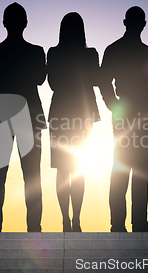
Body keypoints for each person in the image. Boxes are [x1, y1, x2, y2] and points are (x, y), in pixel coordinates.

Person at [0, 2, 47, 232]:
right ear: (25, 24)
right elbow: (40, 79)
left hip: (2, 115)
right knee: (32, 175)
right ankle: (34, 228)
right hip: (29, 116)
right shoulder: (36, 51)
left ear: (4, 23)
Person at [100, 6, 148, 232]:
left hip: (143, 116)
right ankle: (119, 223)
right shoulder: (115, 50)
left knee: (137, 168)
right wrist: (114, 105)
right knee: (124, 167)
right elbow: (104, 81)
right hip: (129, 116)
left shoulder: (144, 51)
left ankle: (136, 222)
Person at [47, 12, 100, 232]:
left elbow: (52, 83)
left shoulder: (54, 53)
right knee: (78, 169)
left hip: (61, 112)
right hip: (82, 112)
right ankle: (75, 219)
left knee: (63, 170)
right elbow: (95, 79)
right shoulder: (90, 54)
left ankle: (66, 220)